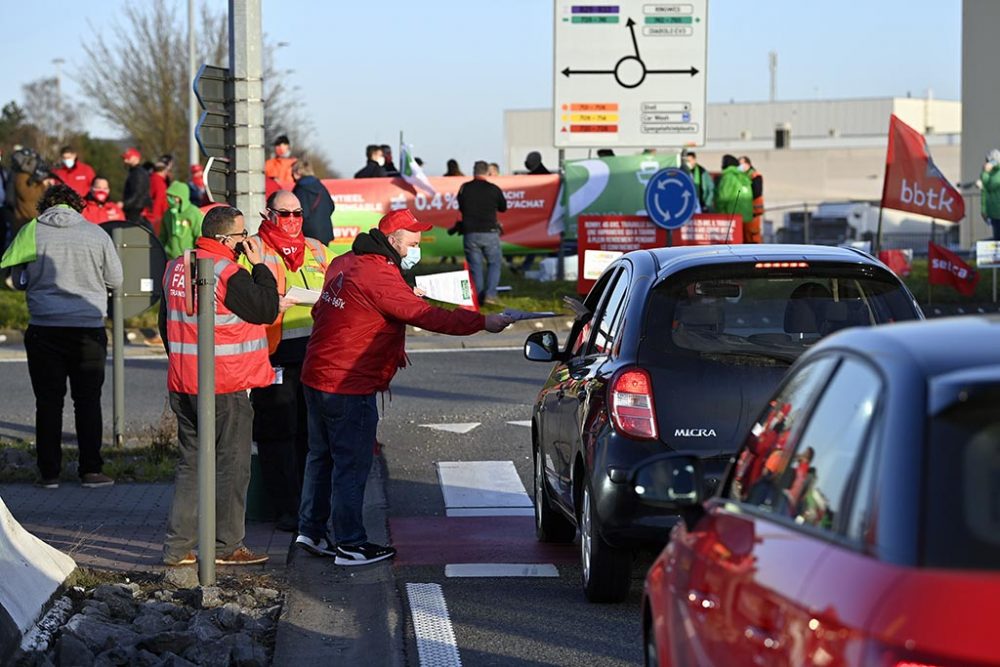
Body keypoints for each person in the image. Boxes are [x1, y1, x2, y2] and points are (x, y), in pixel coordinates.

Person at [295, 208, 512, 564]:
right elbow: (426, 315)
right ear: (393, 240)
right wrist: (482, 321)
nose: (418, 247)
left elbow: (326, 311)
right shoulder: (378, 274)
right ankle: (350, 544)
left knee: (320, 457)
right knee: (351, 464)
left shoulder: (349, 261)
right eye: (413, 241)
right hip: (348, 381)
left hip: (317, 372)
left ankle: (311, 531)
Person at [159, 205, 280, 566]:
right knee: (232, 464)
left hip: (183, 381)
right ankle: (227, 547)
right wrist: (259, 266)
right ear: (226, 239)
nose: (248, 240)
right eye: (243, 235)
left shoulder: (176, 266)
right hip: (223, 384)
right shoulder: (227, 271)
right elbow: (266, 308)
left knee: (191, 463)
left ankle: (178, 549)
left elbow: (165, 322)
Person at [1, 185, 122, 488]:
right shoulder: (96, 234)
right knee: (88, 401)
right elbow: (116, 279)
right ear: (76, 205)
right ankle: (91, 470)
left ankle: (49, 474)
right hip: (88, 328)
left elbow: (17, 279)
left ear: (45, 206)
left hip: (44, 328)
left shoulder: (31, 231)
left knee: (49, 402)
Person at [247, 190, 333, 532]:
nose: (294, 221)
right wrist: (271, 302)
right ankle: (285, 508)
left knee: (309, 434)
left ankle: (309, 507)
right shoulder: (254, 250)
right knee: (276, 433)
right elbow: (240, 298)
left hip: (314, 354)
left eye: (298, 214)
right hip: (272, 355)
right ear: (269, 215)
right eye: (286, 214)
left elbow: (341, 283)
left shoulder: (316, 249)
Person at [458, 161, 508, 304]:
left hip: (470, 233)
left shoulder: (464, 188)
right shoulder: (493, 189)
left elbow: (461, 206)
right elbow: (503, 207)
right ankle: (491, 295)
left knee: (475, 266)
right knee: (494, 263)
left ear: (474, 171)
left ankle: (479, 298)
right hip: (489, 232)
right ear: (487, 172)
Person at [292, 160, 335, 245]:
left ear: (297, 172)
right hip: (325, 231)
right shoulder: (320, 186)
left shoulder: (301, 189)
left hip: (308, 233)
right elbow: (331, 206)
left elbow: (301, 212)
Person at [159, 180, 205, 258]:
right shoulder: (168, 214)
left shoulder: (194, 212)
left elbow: (200, 236)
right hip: (170, 258)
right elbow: (163, 236)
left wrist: (197, 256)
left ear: (181, 197)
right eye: (168, 196)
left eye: (173, 196)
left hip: (188, 259)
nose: (169, 199)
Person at [715, 154, 753, 240]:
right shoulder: (743, 176)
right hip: (745, 217)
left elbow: (723, 197)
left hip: (731, 217)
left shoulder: (728, 176)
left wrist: (719, 213)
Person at [121, 147, 152, 230]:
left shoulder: (137, 173)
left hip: (136, 210)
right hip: (136, 208)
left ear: (136, 158)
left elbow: (137, 193)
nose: (125, 161)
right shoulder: (136, 172)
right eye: (124, 158)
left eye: (128, 158)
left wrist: (124, 204)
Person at [739, 156, 764, 243]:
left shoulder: (754, 176)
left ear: (748, 164)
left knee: (752, 235)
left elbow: (757, 192)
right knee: (745, 236)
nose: (739, 167)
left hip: (753, 212)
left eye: (741, 164)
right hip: (747, 212)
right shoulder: (744, 176)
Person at [145, 159, 170, 236]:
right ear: (164, 171)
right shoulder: (160, 183)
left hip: (149, 213)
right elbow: (159, 200)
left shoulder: (150, 179)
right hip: (157, 216)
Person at [981, 150, 1000, 241]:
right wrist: (984, 210)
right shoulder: (989, 173)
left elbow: (990, 185)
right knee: (997, 239)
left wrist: (985, 173)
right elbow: (984, 191)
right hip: (993, 213)